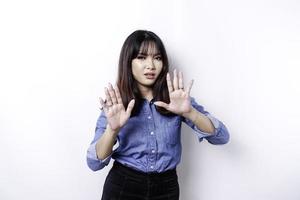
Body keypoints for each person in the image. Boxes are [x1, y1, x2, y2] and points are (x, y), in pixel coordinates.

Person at [86, 30, 230, 200]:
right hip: (123, 186)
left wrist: (190, 112)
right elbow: (94, 163)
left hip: (166, 188)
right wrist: (112, 130)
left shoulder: (176, 98)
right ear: (128, 62)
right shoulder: (116, 105)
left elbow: (222, 137)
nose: (151, 65)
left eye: (157, 58)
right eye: (141, 57)